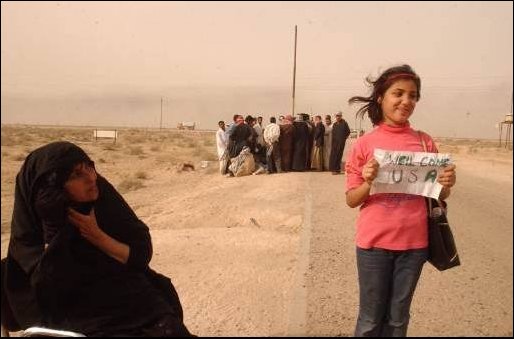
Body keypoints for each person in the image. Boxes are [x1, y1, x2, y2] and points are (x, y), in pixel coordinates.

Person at [2, 141, 194, 337]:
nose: (91, 178)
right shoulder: (32, 237)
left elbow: (141, 252)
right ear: (51, 189)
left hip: (135, 304)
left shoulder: (102, 201)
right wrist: (55, 231)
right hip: (75, 318)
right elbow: (50, 289)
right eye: (76, 174)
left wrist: (97, 236)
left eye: (89, 167)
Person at [345, 64, 457, 337]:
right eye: (398, 93)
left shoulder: (424, 143)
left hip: (415, 246)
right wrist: (369, 182)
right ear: (381, 97)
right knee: (370, 319)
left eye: (413, 95)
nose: (406, 101)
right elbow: (351, 199)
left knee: (398, 320)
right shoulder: (364, 144)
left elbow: (438, 197)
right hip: (373, 246)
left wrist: (446, 185)